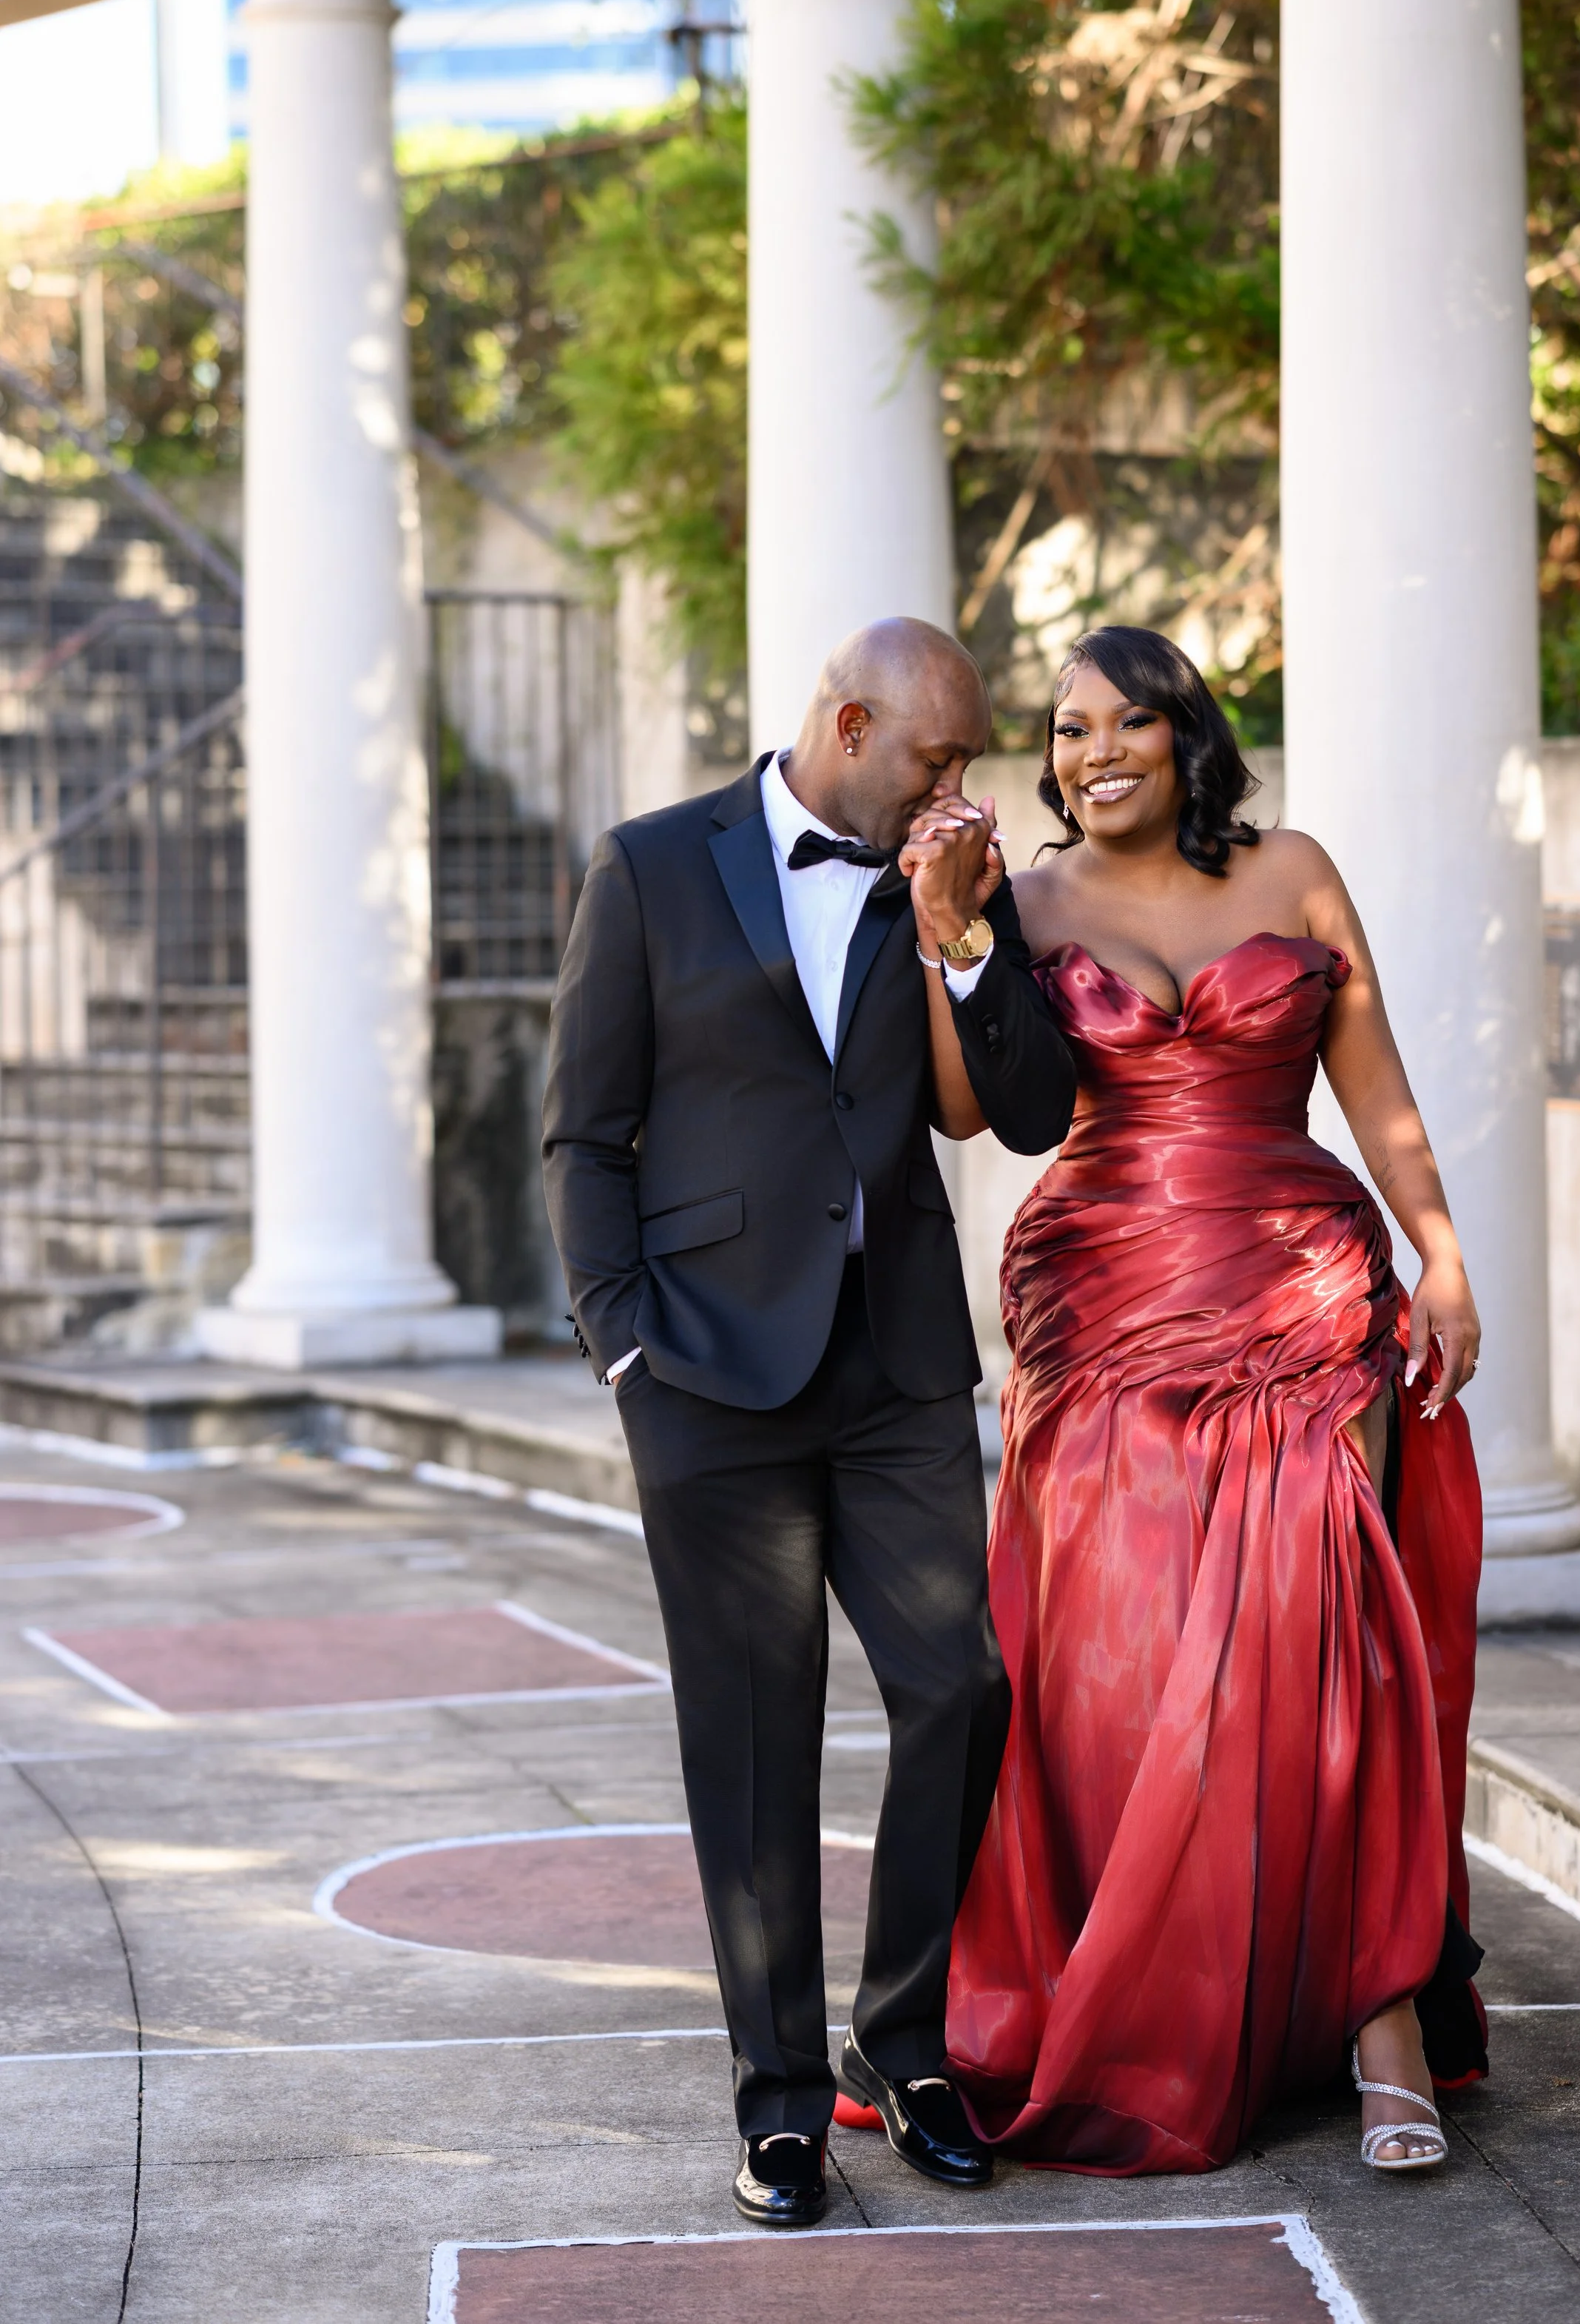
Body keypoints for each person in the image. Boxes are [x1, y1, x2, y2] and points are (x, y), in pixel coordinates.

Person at [923, 624, 1486, 2177]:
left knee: (1327, 1638)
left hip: (1304, 1287)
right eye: (1066, 729)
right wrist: (952, 941)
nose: (1093, 751)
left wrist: (1439, 1257)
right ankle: (1164, 1989)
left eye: (1126, 722)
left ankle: (1381, 2014)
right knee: (1123, 1663)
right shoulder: (1022, 902)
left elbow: (1375, 1089)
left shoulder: (1293, 869)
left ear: (1187, 736)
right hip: (1103, 1301)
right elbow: (973, 1112)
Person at [541, 617, 1076, 2229]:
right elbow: (585, 1134)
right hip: (705, 1375)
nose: (959, 785)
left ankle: (897, 2046)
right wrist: (624, 1351)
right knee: (754, 1738)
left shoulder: (949, 881)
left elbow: (1032, 1111)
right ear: (849, 727)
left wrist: (962, 936)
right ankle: (778, 2107)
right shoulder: (650, 867)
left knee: (961, 1689)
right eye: (936, 755)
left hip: (895, 1366)